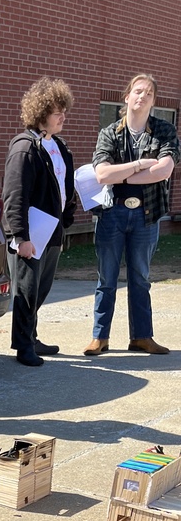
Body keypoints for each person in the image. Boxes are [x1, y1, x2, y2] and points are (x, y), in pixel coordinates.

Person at [85, 73, 180, 356]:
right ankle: (99, 337)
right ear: (127, 97)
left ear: (153, 101)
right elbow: (101, 173)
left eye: (149, 93)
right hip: (111, 214)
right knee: (107, 279)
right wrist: (139, 165)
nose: (142, 96)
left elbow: (164, 170)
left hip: (146, 216)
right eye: (138, 91)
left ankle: (142, 337)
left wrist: (121, 174)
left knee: (140, 277)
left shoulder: (164, 131)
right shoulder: (109, 133)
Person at [3, 77, 76, 367]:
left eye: (64, 111)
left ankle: (31, 336)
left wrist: (67, 218)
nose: (63, 116)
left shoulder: (57, 146)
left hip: (52, 232)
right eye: (58, 111)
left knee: (41, 289)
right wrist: (20, 236)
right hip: (31, 234)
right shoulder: (25, 148)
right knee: (26, 289)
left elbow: (64, 187)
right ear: (41, 112)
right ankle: (23, 346)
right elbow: (15, 195)